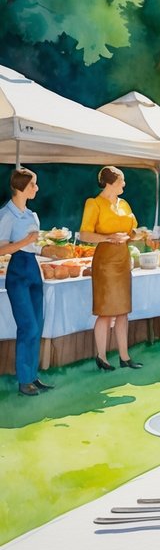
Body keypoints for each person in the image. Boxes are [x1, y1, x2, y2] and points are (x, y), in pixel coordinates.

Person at [80, 166, 143, 370]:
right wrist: (108, 237)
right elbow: (85, 235)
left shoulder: (124, 204)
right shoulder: (94, 203)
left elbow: (132, 228)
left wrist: (134, 234)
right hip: (105, 262)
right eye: (121, 181)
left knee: (123, 310)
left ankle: (124, 357)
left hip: (123, 259)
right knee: (106, 311)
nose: (124, 184)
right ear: (110, 183)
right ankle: (102, 356)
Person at [0, 167, 50, 395]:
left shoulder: (31, 215)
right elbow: (1, 249)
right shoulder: (7, 215)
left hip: (33, 269)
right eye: (33, 185)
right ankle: (23, 380)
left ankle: (32, 376)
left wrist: (49, 249)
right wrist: (25, 241)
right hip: (17, 271)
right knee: (27, 325)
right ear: (22, 187)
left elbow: (33, 246)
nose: (36, 188)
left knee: (37, 324)